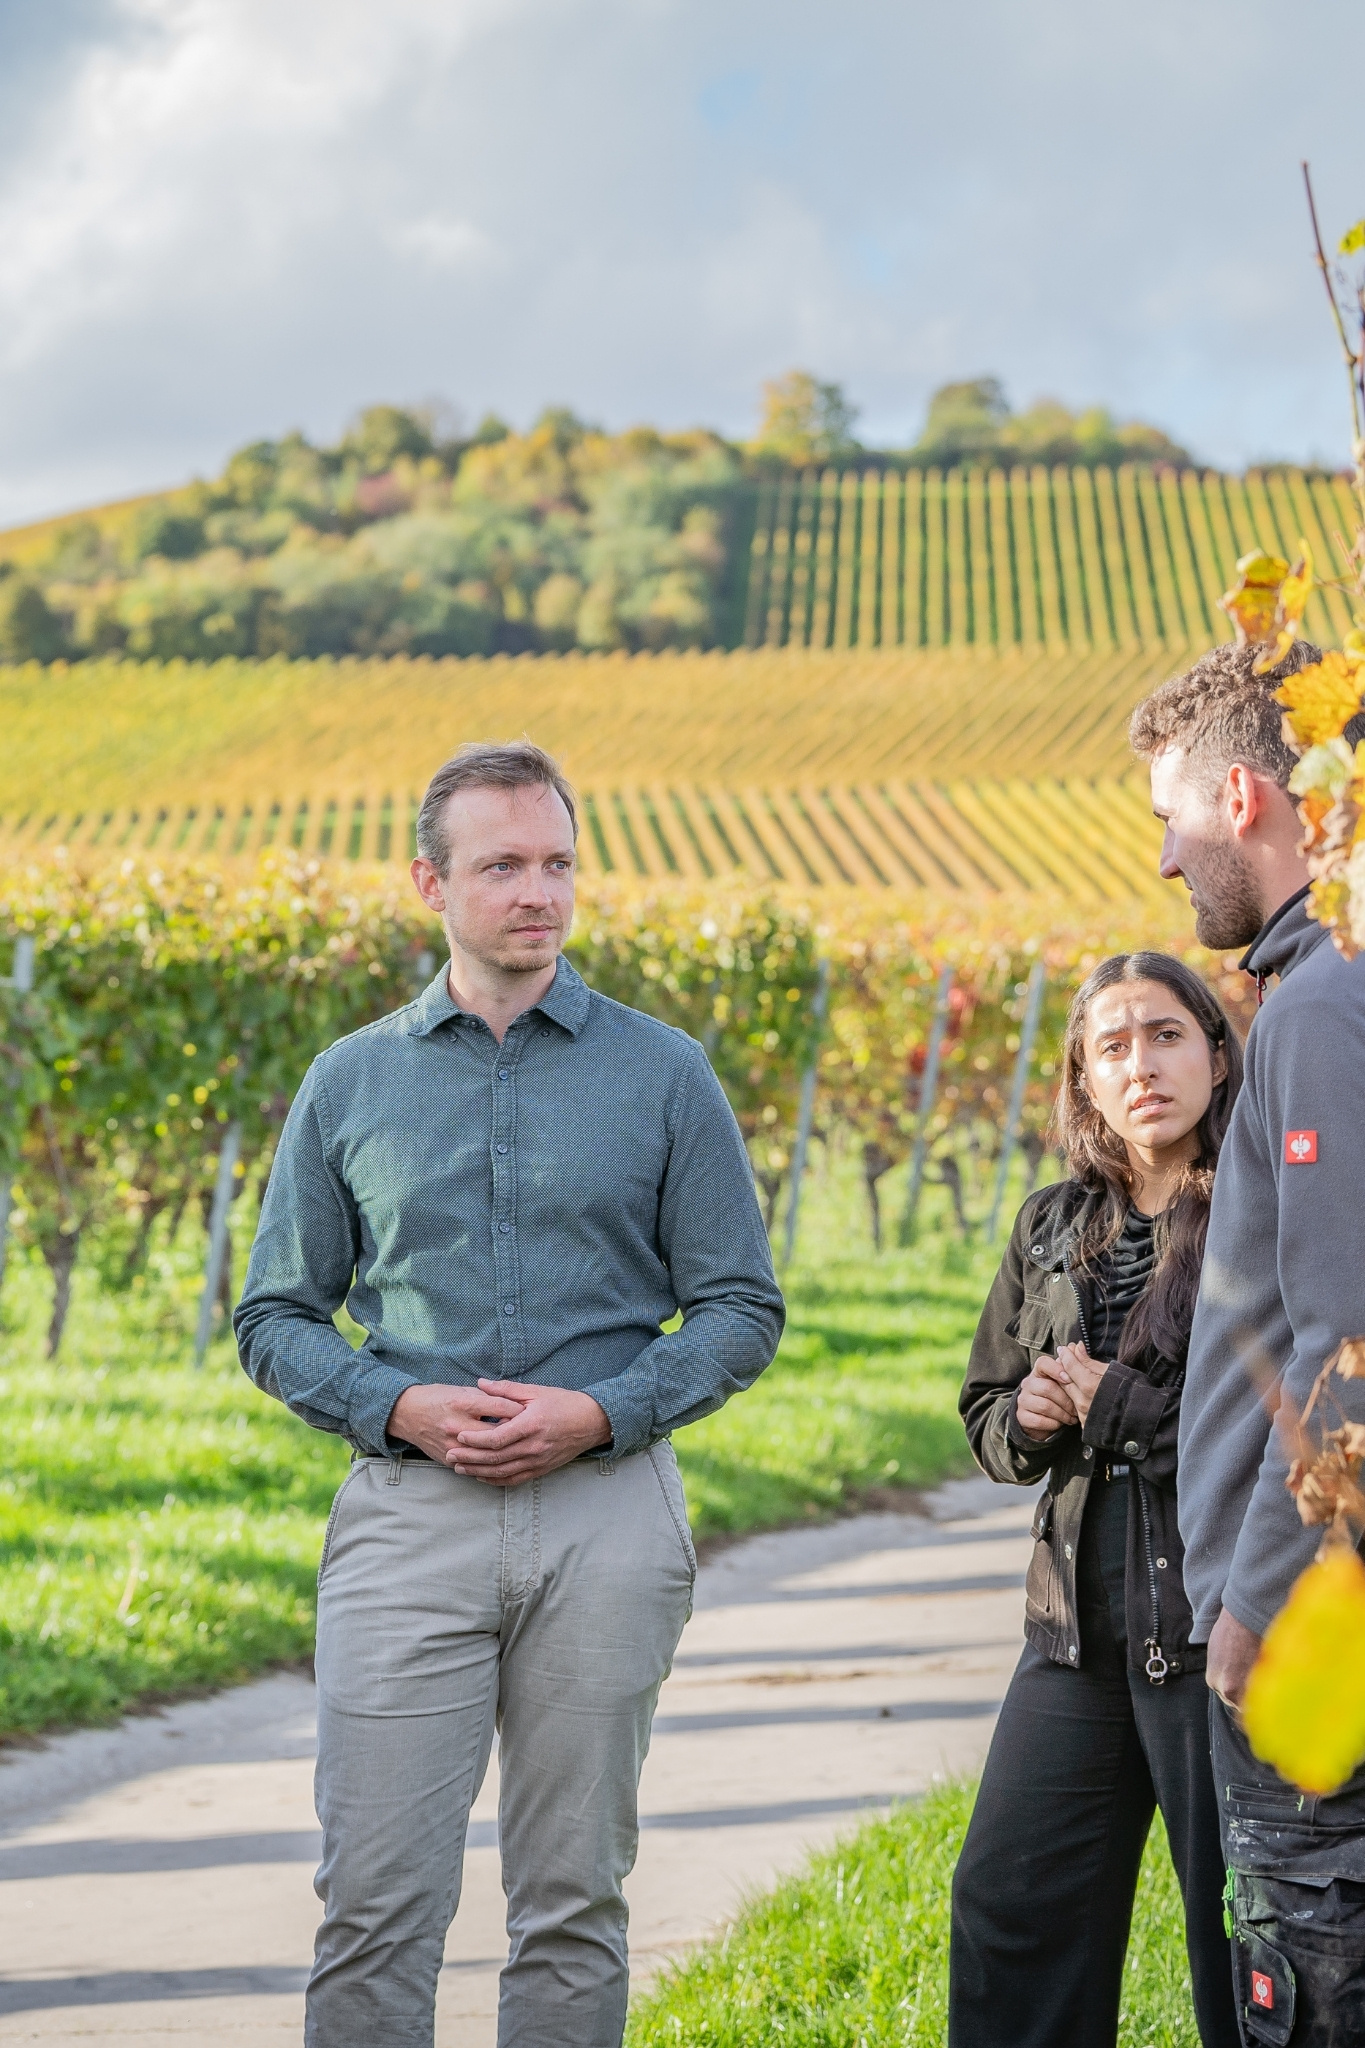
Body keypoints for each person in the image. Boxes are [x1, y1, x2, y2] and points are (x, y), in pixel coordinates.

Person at [234, 740, 785, 2048]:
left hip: (608, 1516)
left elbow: (740, 1309)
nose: (537, 892)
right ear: (429, 882)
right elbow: (273, 1317)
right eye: (501, 866)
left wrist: (604, 1411)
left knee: (572, 1901)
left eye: (556, 863)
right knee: (371, 1902)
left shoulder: (665, 1074)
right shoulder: (350, 1083)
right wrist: (397, 1408)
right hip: (407, 1520)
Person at [1129, 641, 1365, 2042]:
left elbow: (1349, 1349)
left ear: (1240, 797)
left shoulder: (1324, 1011)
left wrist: (1260, 1607)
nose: (1164, 860)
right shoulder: (1316, 994)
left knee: (1311, 1968)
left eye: (1166, 816)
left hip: (1312, 1624)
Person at [951, 951, 1243, 2048]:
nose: (1142, 1065)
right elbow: (984, 1405)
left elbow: (1266, 1433)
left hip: (1215, 1635)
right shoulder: (1049, 1224)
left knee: (1238, 1930)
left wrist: (1116, 1402)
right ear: (1085, 1076)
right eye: (1111, 1046)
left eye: (1165, 1034)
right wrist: (1024, 1418)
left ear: (1215, 1051)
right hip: (1070, 1642)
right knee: (1009, 1905)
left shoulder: (1255, 1214)